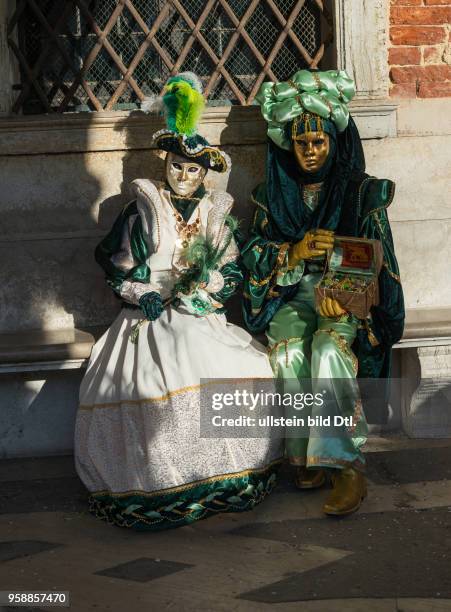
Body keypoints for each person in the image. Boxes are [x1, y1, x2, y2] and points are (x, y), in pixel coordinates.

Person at [75, 72, 283, 531]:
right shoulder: (143, 209)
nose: (184, 176)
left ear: (203, 173)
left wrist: (206, 290)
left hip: (198, 311)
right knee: (154, 385)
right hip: (149, 316)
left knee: (243, 368)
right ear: (163, 164)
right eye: (176, 166)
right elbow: (118, 262)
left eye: (193, 169)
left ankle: (225, 478)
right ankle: (160, 483)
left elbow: (229, 268)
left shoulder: (215, 213)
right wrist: (142, 292)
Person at [241, 70, 404, 516]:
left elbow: (380, 258)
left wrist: (348, 292)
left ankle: (346, 465)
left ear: (335, 140)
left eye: (319, 142)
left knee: (329, 350)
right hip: (291, 296)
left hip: (342, 301)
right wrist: (291, 254)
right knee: (288, 352)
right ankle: (305, 457)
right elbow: (253, 253)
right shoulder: (270, 197)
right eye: (301, 143)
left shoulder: (361, 194)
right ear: (287, 146)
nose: (310, 152)